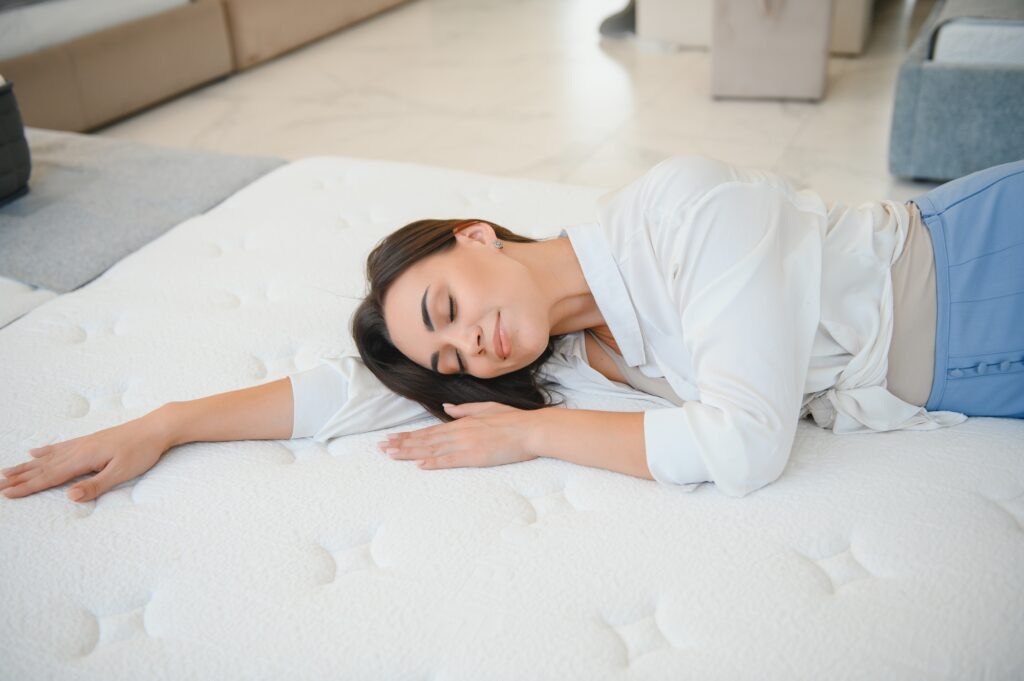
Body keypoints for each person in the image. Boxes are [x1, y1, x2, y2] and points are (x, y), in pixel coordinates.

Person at [2, 156, 1022, 503]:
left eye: (446, 308)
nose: (468, 351)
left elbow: (746, 449)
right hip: (968, 382)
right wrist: (170, 421)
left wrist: (532, 435)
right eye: (447, 357)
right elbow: (348, 394)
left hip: (978, 260)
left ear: (476, 235)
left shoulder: (686, 212)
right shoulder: (567, 363)